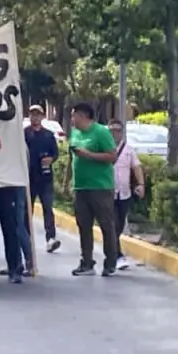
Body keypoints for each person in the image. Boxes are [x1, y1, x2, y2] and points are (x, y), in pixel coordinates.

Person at [68, 103, 119, 277]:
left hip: (100, 188)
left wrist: (88, 155)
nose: (72, 119)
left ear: (83, 116)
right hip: (81, 187)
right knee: (84, 226)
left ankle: (111, 262)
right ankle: (87, 262)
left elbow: (112, 156)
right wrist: (68, 180)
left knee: (106, 225)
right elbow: (71, 158)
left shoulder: (101, 132)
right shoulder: (75, 133)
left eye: (74, 116)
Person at [108, 120, 145, 270]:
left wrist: (141, 185)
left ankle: (112, 253)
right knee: (113, 225)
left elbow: (136, 167)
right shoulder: (103, 149)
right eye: (111, 130)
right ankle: (117, 256)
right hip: (108, 194)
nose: (114, 133)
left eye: (117, 130)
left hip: (124, 194)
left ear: (122, 132)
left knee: (119, 225)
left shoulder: (128, 150)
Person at [25, 106, 61, 254]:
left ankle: (50, 238)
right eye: (33, 114)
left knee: (48, 208)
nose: (35, 117)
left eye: (38, 115)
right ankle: (26, 238)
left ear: (42, 116)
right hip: (29, 178)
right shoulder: (24, 134)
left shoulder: (48, 135)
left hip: (45, 178)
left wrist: (51, 159)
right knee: (27, 210)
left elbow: (56, 153)